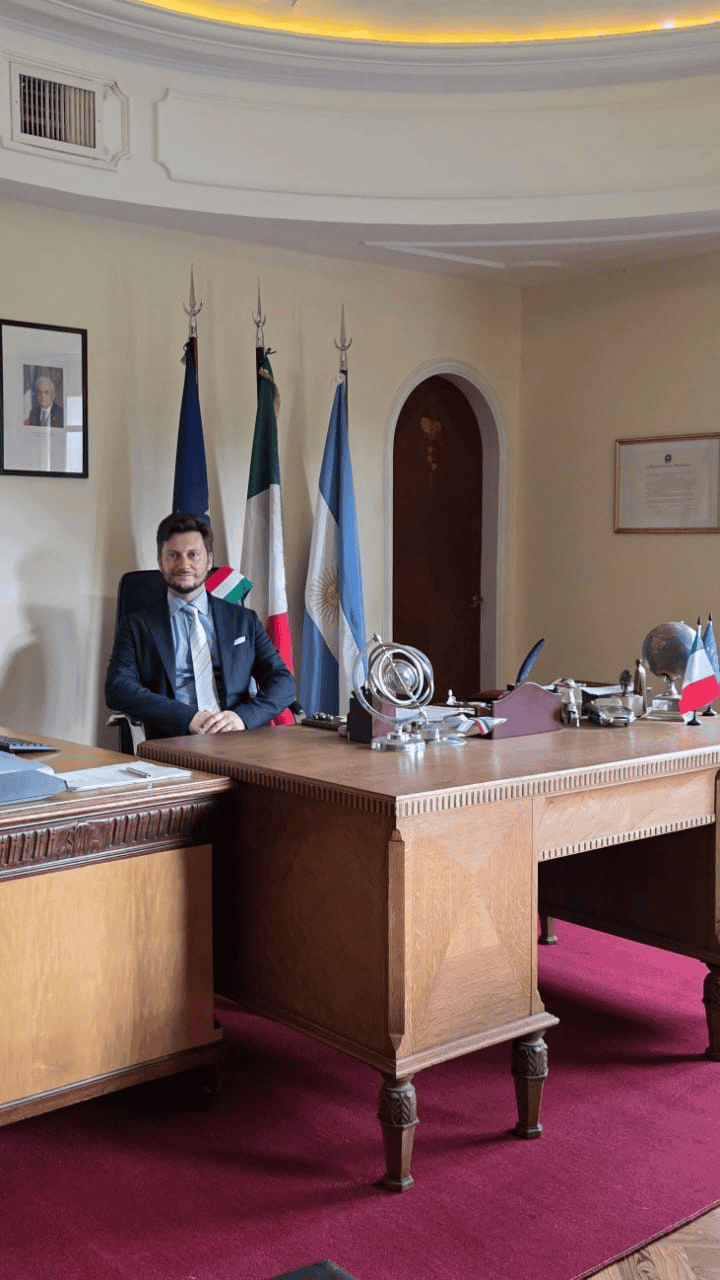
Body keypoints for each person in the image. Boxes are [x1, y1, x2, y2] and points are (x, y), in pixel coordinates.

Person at [105, 511, 296, 739]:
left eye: (193, 555)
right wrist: (185, 718)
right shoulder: (137, 625)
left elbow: (284, 683)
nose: (184, 564)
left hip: (236, 739)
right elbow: (118, 688)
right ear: (161, 562)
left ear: (209, 561)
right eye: (173, 555)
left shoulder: (244, 620)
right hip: (174, 739)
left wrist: (242, 718)